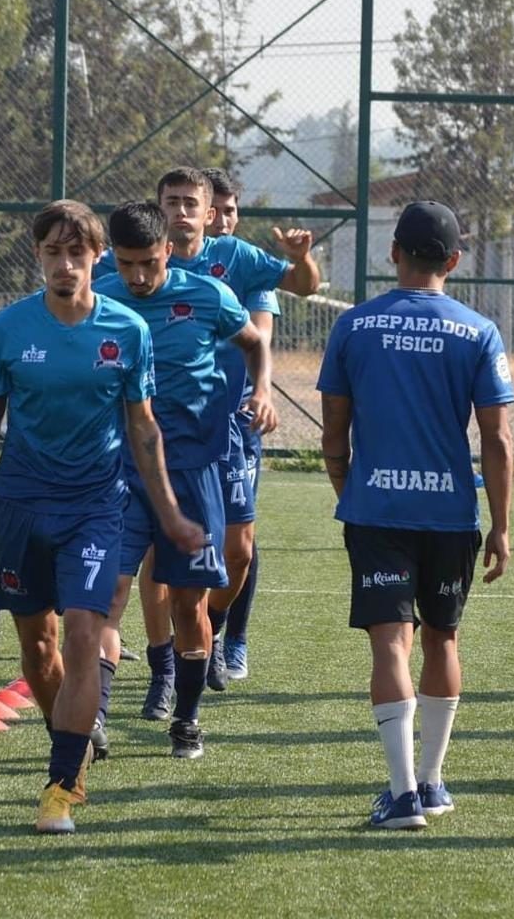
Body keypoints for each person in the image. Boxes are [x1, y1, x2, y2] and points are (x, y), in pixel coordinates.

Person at [0, 200, 204, 834]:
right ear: (38, 256)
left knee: (81, 634)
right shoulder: (10, 328)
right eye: (53, 252)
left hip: (96, 509)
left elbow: (144, 429)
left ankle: (62, 784)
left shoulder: (128, 331)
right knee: (37, 647)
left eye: (78, 253)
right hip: (19, 506)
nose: (65, 264)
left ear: (96, 259)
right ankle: (70, 738)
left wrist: (172, 515)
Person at [93, 167, 319, 718]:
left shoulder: (229, 265)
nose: (183, 211)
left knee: (236, 552)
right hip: (134, 448)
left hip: (220, 434)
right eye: (171, 201)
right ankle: (161, 669)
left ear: (209, 211)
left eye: (192, 202)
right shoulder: (116, 273)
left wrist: (262, 391)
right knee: (145, 563)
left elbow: (295, 293)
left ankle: (213, 636)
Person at [317, 200, 514, 829]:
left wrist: (351, 487)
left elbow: (332, 436)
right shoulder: (479, 330)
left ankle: (401, 794)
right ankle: (430, 784)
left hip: (376, 508)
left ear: (392, 254)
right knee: (442, 638)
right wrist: (505, 525)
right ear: (454, 261)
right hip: (450, 513)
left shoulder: (353, 326)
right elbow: (499, 440)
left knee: (389, 645)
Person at [203, 167, 278, 683]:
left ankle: (231, 636)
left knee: (240, 538)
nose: (225, 220)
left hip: (236, 421)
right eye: (218, 210)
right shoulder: (167, 262)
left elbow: (260, 335)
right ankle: (169, 644)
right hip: (178, 419)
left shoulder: (247, 266)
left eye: (233, 211)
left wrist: (260, 390)